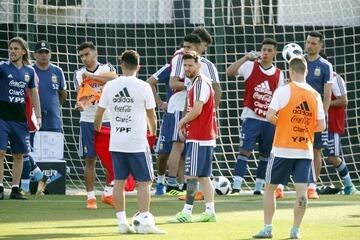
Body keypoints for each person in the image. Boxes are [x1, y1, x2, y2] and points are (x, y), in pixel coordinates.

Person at [253, 56, 325, 239]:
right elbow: (321, 126)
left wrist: (283, 124)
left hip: (283, 148)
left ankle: (268, 228)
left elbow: (270, 116)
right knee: (302, 192)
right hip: (305, 149)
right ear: (306, 71)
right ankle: (295, 230)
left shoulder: (283, 90)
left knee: (269, 188)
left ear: (291, 71)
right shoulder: (315, 95)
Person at [94, 50, 165, 234]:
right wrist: (153, 133)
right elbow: (152, 115)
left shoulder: (110, 85)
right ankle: (144, 220)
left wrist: (97, 130)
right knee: (145, 181)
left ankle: (121, 222)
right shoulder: (143, 86)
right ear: (138, 66)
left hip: (117, 142)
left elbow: (99, 113)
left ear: (121, 65)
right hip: (137, 142)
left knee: (118, 182)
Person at [226, 38, 284, 195]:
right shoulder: (250, 66)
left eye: (269, 50)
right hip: (251, 116)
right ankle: (236, 186)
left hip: (269, 119)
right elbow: (229, 72)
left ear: (275, 53)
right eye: (264, 49)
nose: (265, 53)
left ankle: (259, 188)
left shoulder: (279, 74)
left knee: (265, 154)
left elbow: (280, 99)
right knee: (245, 150)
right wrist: (245, 57)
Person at [167, 51, 217, 223]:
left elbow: (196, 110)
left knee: (191, 177)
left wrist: (181, 123)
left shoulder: (200, 84)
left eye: (190, 65)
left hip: (199, 137)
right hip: (202, 135)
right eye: (185, 66)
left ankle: (187, 212)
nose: (187, 69)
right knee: (203, 176)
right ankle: (210, 212)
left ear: (199, 66)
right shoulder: (196, 83)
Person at [73, 41, 117, 209]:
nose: (84, 59)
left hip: (107, 119)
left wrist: (92, 77)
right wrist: (81, 105)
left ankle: (107, 193)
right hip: (87, 119)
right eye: (82, 56)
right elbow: (84, 95)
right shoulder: (78, 73)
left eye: (87, 54)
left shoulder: (107, 67)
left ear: (95, 53)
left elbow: (113, 78)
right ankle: (90, 198)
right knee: (90, 159)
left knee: (110, 159)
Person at [20, 40, 67, 195]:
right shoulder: (29, 70)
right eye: (40, 52)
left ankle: (47, 187)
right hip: (32, 120)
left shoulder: (58, 71)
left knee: (52, 155)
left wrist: (52, 107)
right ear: (34, 54)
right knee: (29, 152)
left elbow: (62, 95)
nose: (44, 55)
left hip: (53, 121)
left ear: (50, 54)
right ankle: (29, 187)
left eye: (46, 52)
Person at [0, 37, 41, 200]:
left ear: (23, 51)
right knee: (1, 152)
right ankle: (1, 187)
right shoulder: (3, 67)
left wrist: (37, 115)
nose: (12, 51)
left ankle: (15, 189)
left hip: (19, 118)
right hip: (2, 116)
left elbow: (34, 94)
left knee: (19, 154)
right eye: (10, 48)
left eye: (16, 49)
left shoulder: (29, 71)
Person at [303, 31, 333, 199]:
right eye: (308, 42)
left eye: (313, 43)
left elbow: (327, 94)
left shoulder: (326, 66)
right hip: (298, 114)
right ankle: (280, 186)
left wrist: (322, 116)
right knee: (295, 148)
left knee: (316, 150)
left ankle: (312, 187)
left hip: (316, 115)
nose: (309, 46)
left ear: (320, 45)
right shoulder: (299, 61)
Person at [146, 64, 173, 195]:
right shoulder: (170, 67)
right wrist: (160, 103)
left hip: (189, 114)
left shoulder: (198, 67)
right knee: (163, 153)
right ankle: (160, 183)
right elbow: (150, 82)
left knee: (185, 153)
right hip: (170, 117)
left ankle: (181, 186)